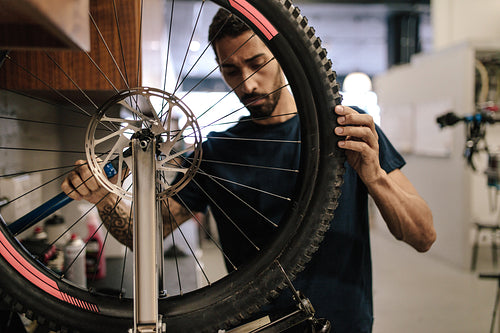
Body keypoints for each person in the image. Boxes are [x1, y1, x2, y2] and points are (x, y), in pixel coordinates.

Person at [61, 9, 435, 333]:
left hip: (344, 324)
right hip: (255, 326)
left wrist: (374, 175)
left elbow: (423, 235)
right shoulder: (215, 152)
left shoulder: (345, 130)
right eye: (230, 69)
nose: (247, 83)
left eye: (257, 63)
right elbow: (144, 233)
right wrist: (102, 198)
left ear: (283, 55)